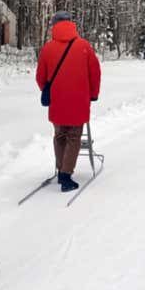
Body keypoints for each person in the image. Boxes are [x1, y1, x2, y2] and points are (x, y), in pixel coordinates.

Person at [36, 11, 101, 192]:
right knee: (74, 136)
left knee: (60, 135)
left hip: (57, 101)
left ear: (54, 26)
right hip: (79, 100)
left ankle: (61, 167)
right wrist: (93, 94)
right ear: (71, 24)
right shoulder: (84, 46)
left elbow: (41, 77)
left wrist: (48, 90)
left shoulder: (47, 49)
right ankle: (66, 175)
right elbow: (94, 73)